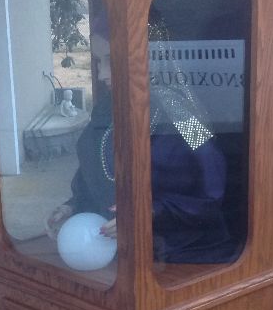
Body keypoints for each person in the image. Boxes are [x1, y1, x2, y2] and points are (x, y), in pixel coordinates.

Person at [46, 16, 237, 264]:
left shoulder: (183, 117)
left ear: (147, 59)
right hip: (111, 249)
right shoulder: (106, 111)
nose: (102, 74)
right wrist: (73, 205)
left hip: (176, 254)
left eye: (111, 62)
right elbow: (95, 173)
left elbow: (211, 192)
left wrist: (149, 212)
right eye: (97, 62)